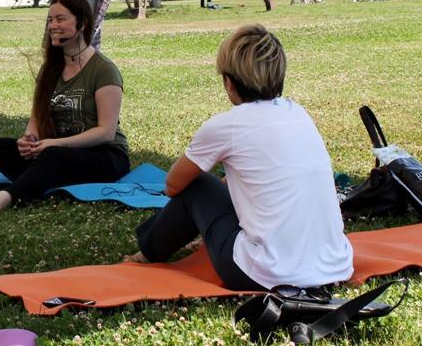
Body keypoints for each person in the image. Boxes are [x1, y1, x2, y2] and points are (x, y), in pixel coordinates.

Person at [126, 24, 353, 291]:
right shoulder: (299, 113)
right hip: (335, 265)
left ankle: (148, 252)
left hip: (262, 273)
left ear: (229, 83)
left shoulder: (226, 125)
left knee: (198, 184)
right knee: (225, 185)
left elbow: (173, 185)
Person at [0, 0, 129, 216]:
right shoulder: (50, 70)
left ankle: (4, 198)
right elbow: (37, 117)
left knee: (53, 156)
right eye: (49, 20)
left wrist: (55, 145)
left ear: (82, 23)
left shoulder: (104, 70)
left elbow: (106, 132)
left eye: (60, 19)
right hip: (60, 153)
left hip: (105, 155)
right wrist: (30, 140)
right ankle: (44, 176)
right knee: (0, 148)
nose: (52, 26)